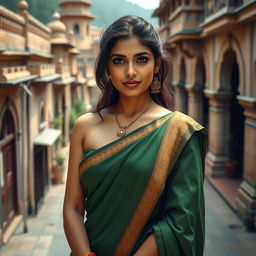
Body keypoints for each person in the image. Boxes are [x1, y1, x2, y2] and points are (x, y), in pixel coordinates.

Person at [63, 15, 207, 256]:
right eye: (119, 61)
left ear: (157, 65)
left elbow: (182, 221)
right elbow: (72, 208)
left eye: (141, 59)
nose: (130, 72)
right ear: (107, 67)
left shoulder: (179, 132)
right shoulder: (85, 127)